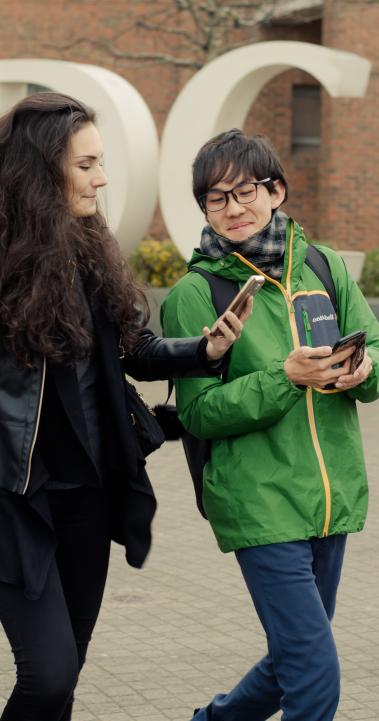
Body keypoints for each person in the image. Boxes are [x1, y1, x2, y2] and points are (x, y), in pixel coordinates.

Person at [0, 95, 251, 721]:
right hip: (16, 502)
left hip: (89, 494)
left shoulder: (88, 246)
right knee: (48, 677)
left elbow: (130, 349)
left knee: (66, 678)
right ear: (40, 169)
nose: (102, 178)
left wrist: (204, 347)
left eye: (101, 163)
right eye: (86, 164)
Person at [161, 129, 379, 721]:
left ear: (276, 190)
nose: (233, 209)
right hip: (257, 501)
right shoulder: (196, 292)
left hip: (331, 495)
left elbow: (376, 354)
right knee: (314, 675)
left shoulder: (324, 265)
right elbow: (200, 413)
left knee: (291, 662)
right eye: (216, 199)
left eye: (245, 192)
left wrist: (363, 368)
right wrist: (285, 378)